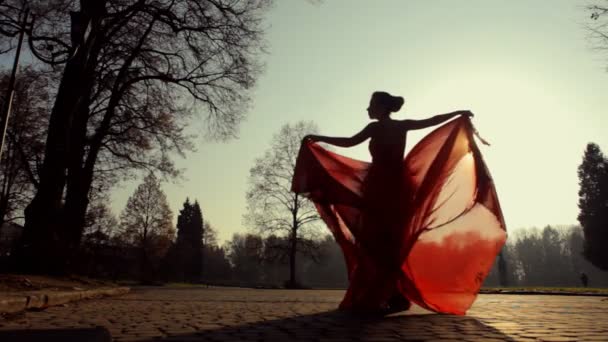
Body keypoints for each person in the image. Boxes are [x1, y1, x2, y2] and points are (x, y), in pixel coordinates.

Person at [292, 91, 507, 315]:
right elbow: (429, 121)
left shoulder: (376, 128)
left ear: (382, 107)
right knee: (386, 243)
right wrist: (457, 113)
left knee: (379, 243)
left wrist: (318, 138)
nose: (367, 109)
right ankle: (393, 295)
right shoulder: (398, 126)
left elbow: (350, 142)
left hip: (383, 188)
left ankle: (387, 296)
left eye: (371, 105)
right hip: (392, 188)